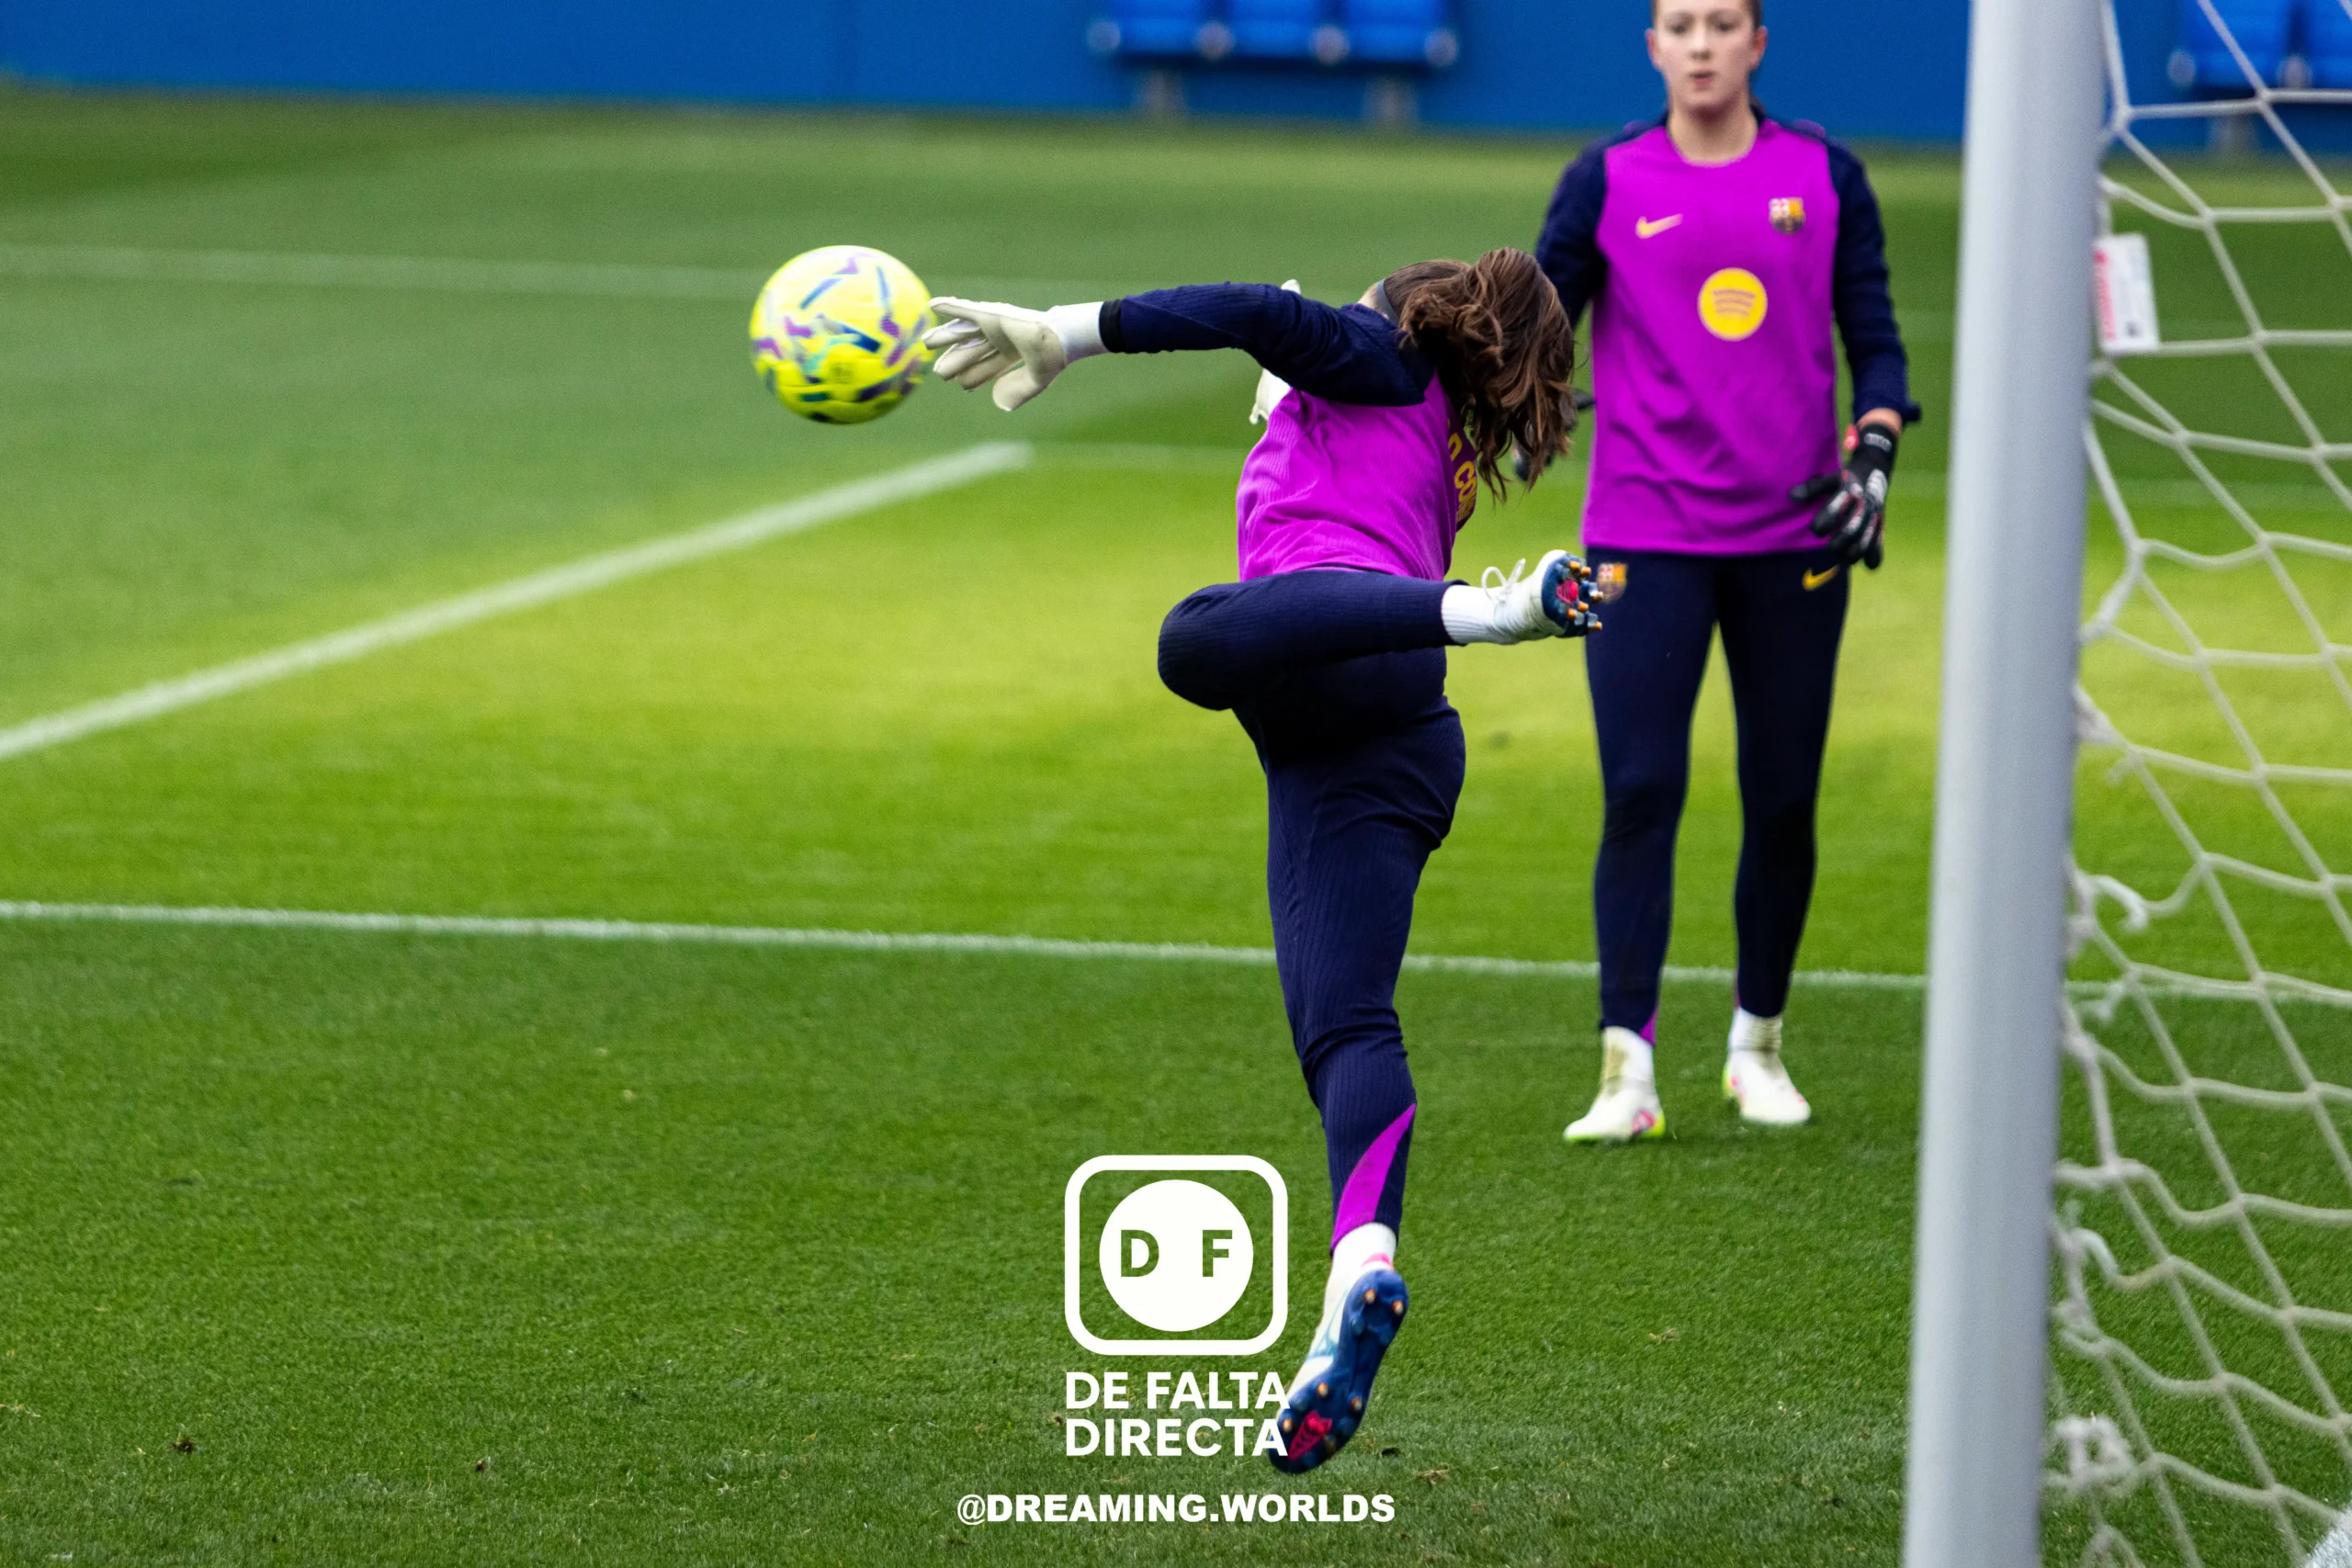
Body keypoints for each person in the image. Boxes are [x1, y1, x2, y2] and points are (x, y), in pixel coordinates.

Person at [923, 252, 1598, 1470]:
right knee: (1344, 1029)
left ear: (1426, 306)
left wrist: (1062, 333)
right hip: (1383, 740)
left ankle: (1490, 610)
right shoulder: (1431, 416)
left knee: (1192, 637)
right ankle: (1361, 1271)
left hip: (1346, 646)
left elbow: (1250, 311)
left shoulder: (1377, 354)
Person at [1533, 0, 1920, 1143]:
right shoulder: (1602, 180)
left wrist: (1878, 456)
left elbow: (1878, 340)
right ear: (1652, 47)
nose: (1700, 43)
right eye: (1679, 24)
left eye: (1722, 23)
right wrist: (1511, 398)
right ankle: (1626, 1072)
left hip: (1796, 539)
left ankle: (1756, 1047)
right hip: (1641, 535)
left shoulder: (1825, 173)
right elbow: (1539, 328)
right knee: (1640, 790)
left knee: (1783, 796)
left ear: (1758, 43)